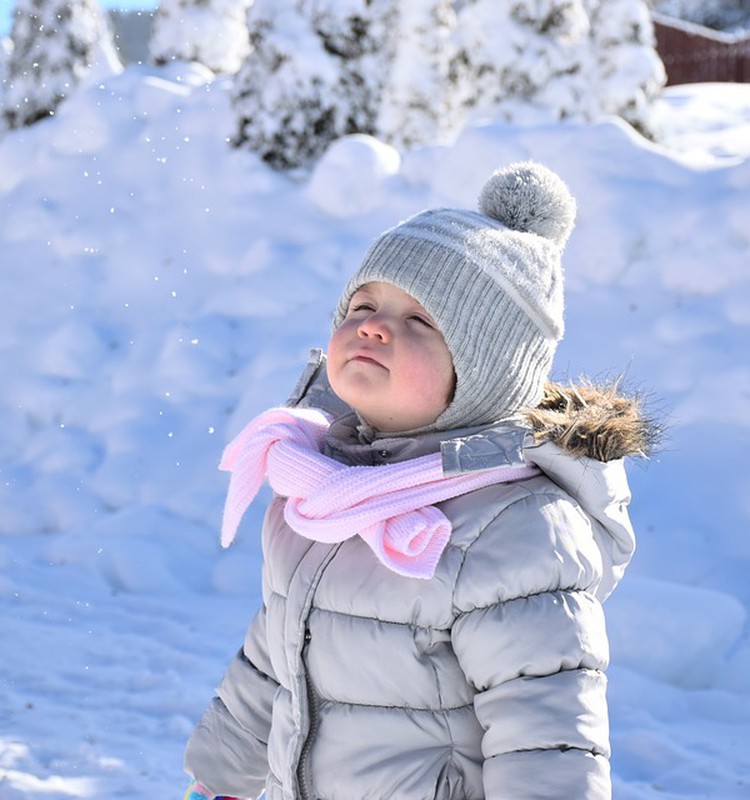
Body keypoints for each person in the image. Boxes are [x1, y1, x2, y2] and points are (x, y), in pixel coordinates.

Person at [182, 162, 653, 800]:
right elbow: (274, 658)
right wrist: (221, 779)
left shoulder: (517, 525)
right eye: (364, 305)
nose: (374, 326)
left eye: (421, 321)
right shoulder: (321, 486)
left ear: (483, 373)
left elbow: (546, 731)